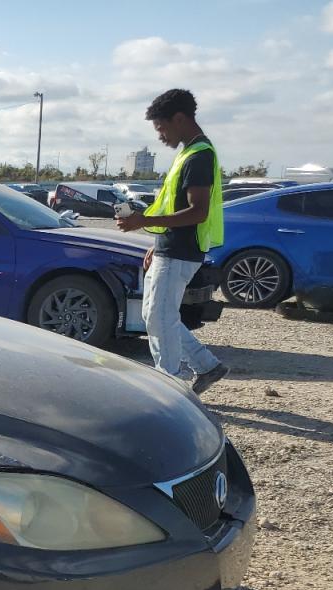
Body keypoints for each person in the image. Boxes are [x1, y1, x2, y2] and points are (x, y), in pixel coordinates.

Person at [116, 88, 228, 395]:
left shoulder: (199, 155)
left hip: (181, 252)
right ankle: (206, 365)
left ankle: (171, 388)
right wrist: (157, 241)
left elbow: (198, 212)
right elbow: (176, 206)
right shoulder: (189, 153)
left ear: (180, 119)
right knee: (156, 314)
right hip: (170, 248)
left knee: (158, 316)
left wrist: (144, 222)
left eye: (162, 128)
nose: (161, 136)